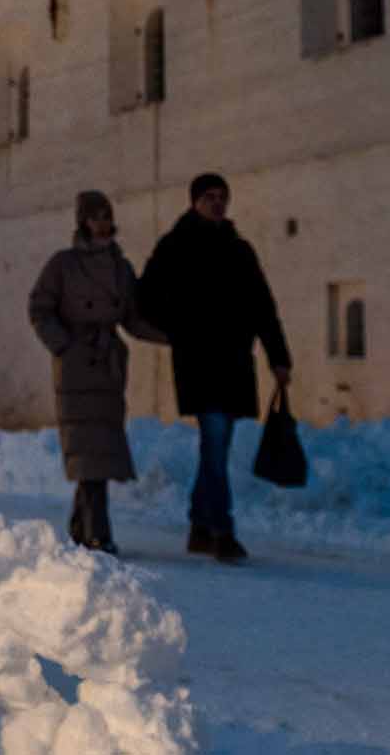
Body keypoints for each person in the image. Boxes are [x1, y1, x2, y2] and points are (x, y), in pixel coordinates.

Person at [140, 173, 291, 563]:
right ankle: (222, 530)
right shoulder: (175, 247)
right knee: (216, 436)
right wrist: (180, 330)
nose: (217, 203)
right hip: (198, 362)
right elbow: (147, 297)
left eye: (223, 197)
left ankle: (198, 525)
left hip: (236, 361)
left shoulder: (240, 250)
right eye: (209, 197)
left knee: (217, 447)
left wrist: (278, 356)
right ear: (193, 202)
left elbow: (262, 304)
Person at [29, 190, 164, 554]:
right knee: (88, 452)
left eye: (106, 216)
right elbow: (40, 308)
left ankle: (79, 527)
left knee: (100, 451)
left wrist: (173, 337)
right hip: (76, 367)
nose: (102, 223)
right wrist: (63, 345)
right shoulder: (63, 264)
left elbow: (134, 318)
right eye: (95, 217)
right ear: (82, 222)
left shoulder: (122, 269)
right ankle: (99, 533)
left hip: (107, 367)